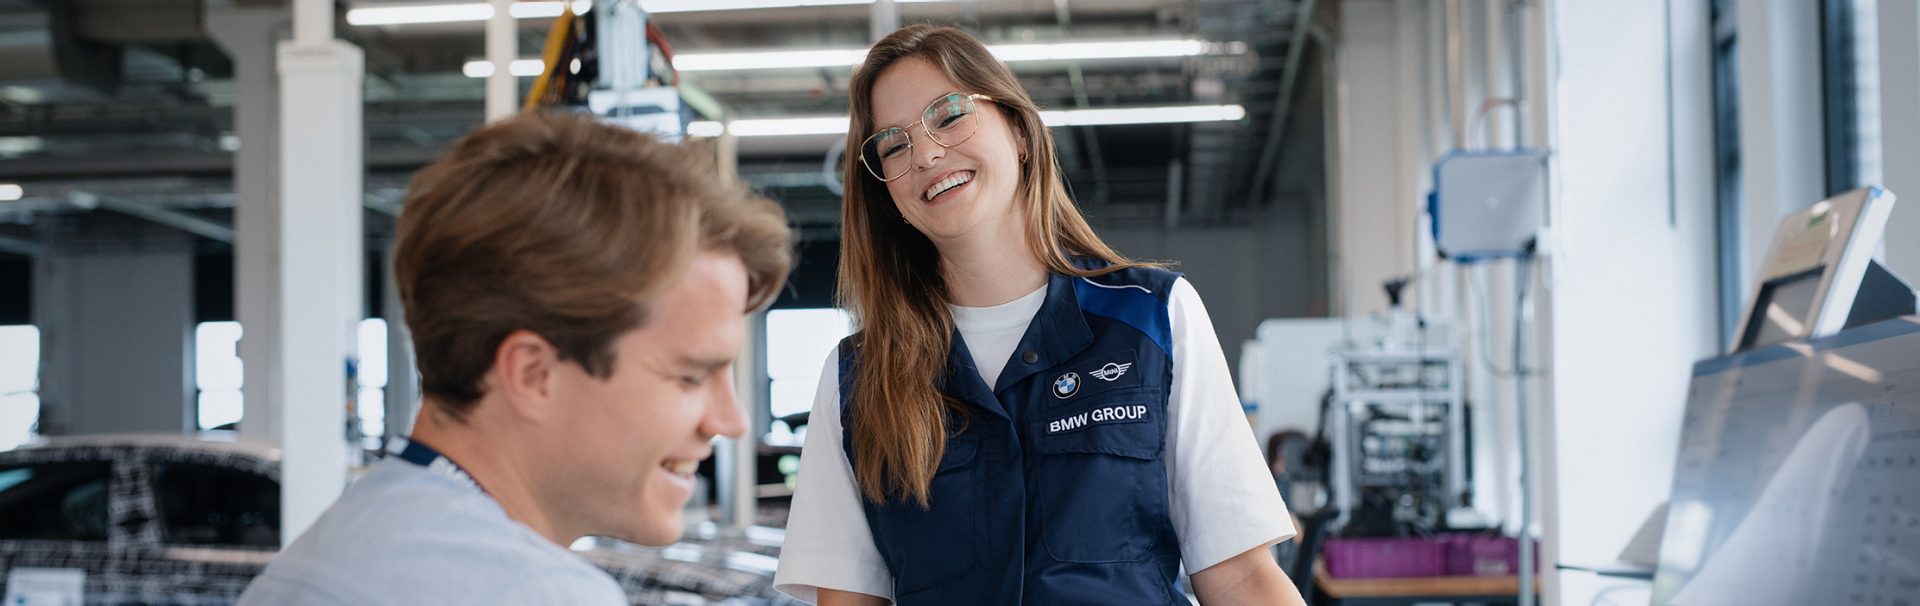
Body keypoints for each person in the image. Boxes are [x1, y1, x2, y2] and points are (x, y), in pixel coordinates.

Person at [773, 24, 1306, 606]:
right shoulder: (857, 379)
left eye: (949, 115)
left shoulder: (1152, 319)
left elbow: (1240, 577)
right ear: (886, 193)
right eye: (894, 145)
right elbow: (848, 601)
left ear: (1020, 132)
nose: (925, 153)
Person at [238, 111, 792, 605]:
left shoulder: (335, 546)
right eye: (691, 375)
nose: (732, 420)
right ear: (533, 374)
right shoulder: (535, 592)